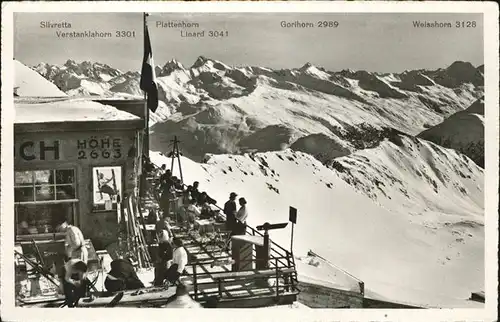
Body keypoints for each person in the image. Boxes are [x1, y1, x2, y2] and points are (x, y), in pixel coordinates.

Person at [154, 219, 174, 286]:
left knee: (163, 274)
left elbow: (170, 255)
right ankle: (158, 283)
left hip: (165, 262)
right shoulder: (162, 243)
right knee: (158, 272)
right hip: (161, 261)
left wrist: (163, 258)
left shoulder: (166, 244)